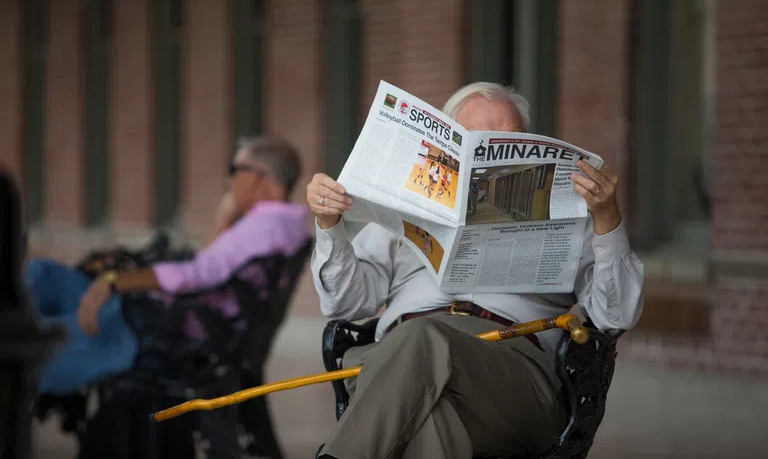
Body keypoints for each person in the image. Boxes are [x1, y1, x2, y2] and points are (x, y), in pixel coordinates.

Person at [307, 82, 644, 458]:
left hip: (510, 376)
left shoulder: (572, 215)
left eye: (509, 138)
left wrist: (608, 219)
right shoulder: (401, 213)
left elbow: (615, 315)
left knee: (423, 341)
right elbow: (344, 306)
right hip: (394, 373)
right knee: (433, 416)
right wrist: (329, 226)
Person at [26, 136, 309, 395]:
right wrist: (224, 218)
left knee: (31, 344)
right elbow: (208, 264)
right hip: (185, 317)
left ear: (259, 178)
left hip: (163, 325)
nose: (229, 181)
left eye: (234, 170)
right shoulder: (286, 224)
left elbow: (198, 273)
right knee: (42, 273)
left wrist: (113, 281)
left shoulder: (264, 227)